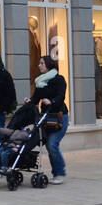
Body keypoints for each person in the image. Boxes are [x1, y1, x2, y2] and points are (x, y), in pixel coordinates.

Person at [24, 54, 68, 184]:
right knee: (47, 145)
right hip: (45, 117)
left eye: (41, 63)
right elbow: (35, 98)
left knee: (52, 144)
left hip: (60, 117)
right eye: (39, 63)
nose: (39, 65)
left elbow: (61, 96)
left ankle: (59, 173)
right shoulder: (40, 81)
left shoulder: (59, 79)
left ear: (48, 65)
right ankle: (58, 170)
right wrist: (29, 101)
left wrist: (51, 101)